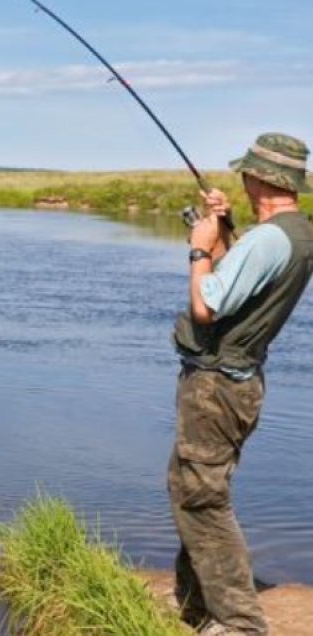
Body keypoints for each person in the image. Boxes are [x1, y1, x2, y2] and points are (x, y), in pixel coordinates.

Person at [169, 133, 313, 636]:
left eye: (246, 172)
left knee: (203, 499)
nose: (241, 177)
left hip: (217, 387)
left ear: (262, 178)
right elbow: (245, 281)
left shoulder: (270, 238)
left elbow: (207, 303)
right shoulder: (291, 232)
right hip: (232, 383)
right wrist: (229, 229)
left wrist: (199, 249)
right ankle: (194, 601)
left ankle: (240, 623)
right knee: (190, 487)